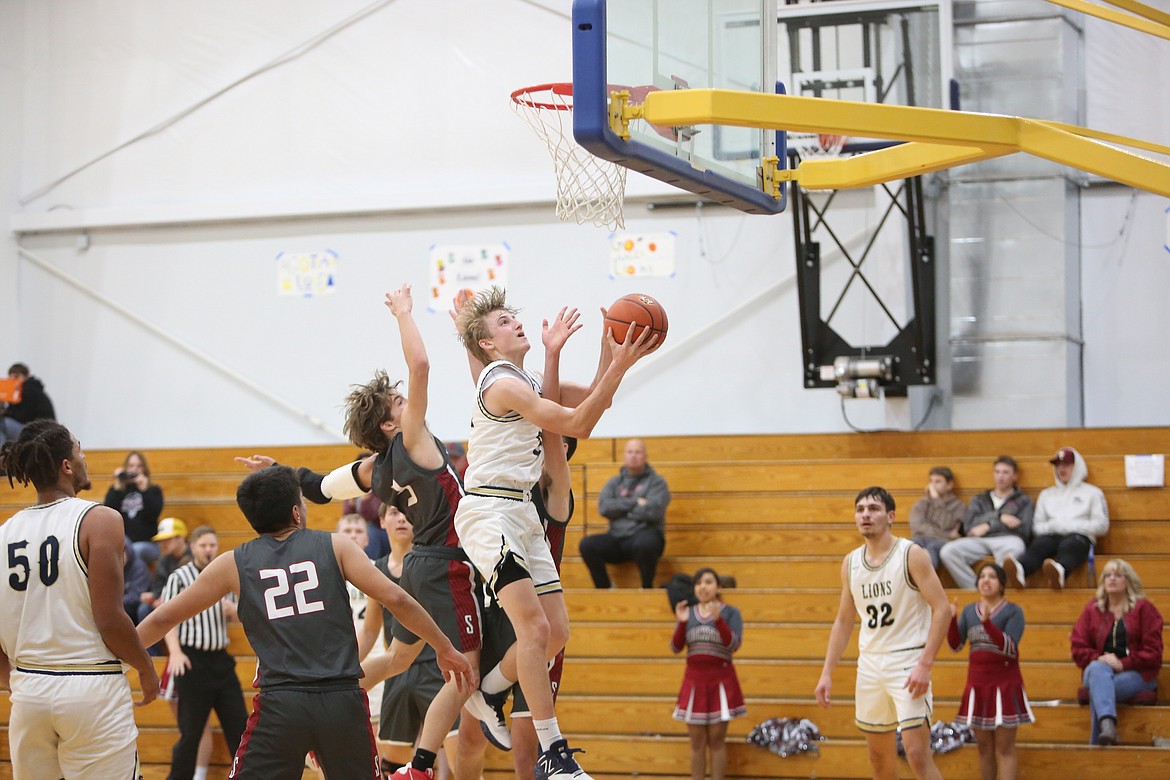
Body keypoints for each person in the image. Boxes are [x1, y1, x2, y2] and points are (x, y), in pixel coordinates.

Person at [238, 283, 483, 780]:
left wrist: (278, 470)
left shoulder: (372, 469)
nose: (406, 399)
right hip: (446, 563)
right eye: (398, 401)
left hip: (417, 564)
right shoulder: (413, 440)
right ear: (394, 425)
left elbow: (319, 488)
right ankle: (419, 767)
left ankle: (332, 704)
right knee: (466, 670)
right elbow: (421, 366)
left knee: (396, 657)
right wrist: (404, 314)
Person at [137, 465, 474, 778]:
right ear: (297, 512)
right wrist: (444, 647)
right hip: (341, 700)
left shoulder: (232, 563)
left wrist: (132, 663)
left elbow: (164, 616)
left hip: (281, 705)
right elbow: (397, 599)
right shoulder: (336, 545)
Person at [452, 286, 656, 780]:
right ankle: (554, 752)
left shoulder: (520, 379)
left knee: (557, 632)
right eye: (503, 322)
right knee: (535, 629)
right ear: (487, 346)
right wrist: (617, 365)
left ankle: (491, 691)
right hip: (489, 510)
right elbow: (576, 424)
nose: (515, 322)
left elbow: (591, 404)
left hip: (521, 513)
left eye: (511, 316)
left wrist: (611, 350)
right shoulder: (501, 383)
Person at [0, 419, 159, 778]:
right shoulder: (100, 519)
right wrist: (147, 668)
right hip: (90, 686)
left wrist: (16, 682)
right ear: (67, 466)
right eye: (79, 449)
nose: (85, 456)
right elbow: (110, 619)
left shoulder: (4, 533)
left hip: (29, 692)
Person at [815, 486, 950, 780]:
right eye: (860, 509)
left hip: (907, 661)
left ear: (890, 516)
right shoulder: (851, 562)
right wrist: (827, 672)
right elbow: (843, 620)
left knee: (916, 755)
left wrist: (925, 664)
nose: (865, 514)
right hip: (870, 665)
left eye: (873, 508)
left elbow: (943, 609)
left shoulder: (911, 554)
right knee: (878, 760)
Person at [358, 504, 459, 779]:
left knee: (463, 763)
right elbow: (369, 631)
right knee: (392, 765)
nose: (401, 518)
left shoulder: (432, 565)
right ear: (381, 521)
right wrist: (344, 667)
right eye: (393, 512)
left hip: (437, 668)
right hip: (399, 672)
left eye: (406, 513)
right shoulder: (376, 570)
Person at [159, 525, 248, 780]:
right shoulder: (180, 577)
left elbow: (245, 614)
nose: (208, 550)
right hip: (192, 661)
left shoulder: (226, 574)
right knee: (191, 733)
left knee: (241, 729)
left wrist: (236, 612)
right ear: (193, 547)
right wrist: (174, 652)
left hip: (220, 661)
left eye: (212, 545)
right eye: (203, 545)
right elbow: (167, 618)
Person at [947, 563, 1033, 780]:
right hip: (977, 686)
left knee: (1004, 749)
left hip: (1005, 685)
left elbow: (1009, 647)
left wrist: (987, 623)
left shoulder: (1014, 611)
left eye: (992, 576)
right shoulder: (968, 611)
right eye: (982, 576)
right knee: (984, 750)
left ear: (1002, 583)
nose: (985, 580)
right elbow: (956, 646)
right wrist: (951, 620)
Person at [1070, 558, 1162, 746]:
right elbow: (1077, 647)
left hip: (1136, 674)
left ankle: (1103, 734)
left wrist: (1123, 663)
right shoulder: (1093, 609)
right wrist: (1100, 658)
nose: (1112, 579)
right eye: (1108, 575)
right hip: (1098, 670)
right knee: (1097, 669)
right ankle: (1108, 726)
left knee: (1099, 688)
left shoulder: (1144, 609)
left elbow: (1153, 653)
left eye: (1118, 575)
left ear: (1128, 581)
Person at [671, 567, 745, 780]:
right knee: (696, 742)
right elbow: (676, 647)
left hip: (721, 682)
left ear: (718, 586)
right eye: (699, 583)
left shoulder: (731, 613)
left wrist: (719, 620)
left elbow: (733, 644)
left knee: (717, 740)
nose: (703, 586)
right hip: (694, 683)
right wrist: (681, 622)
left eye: (708, 582)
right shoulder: (688, 612)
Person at [1005, 447, 1108, 589]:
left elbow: (1102, 525)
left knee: (1070, 545)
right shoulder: (1046, 494)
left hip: (1080, 537)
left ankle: (1060, 572)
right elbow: (1037, 526)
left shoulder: (1093, 493)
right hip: (1052, 535)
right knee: (1040, 545)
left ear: (1077, 466)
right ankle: (1021, 571)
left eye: (1066, 465)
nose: (1061, 469)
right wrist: (1055, 526)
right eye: (1058, 465)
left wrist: (1072, 526)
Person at [579, 438, 671, 589]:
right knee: (587, 545)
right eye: (630, 452)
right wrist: (636, 502)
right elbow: (604, 508)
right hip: (617, 537)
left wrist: (621, 509)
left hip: (645, 535)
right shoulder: (614, 482)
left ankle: (646, 587)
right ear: (624, 455)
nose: (633, 455)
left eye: (637, 452)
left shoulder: (657, 482)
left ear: (645, 456)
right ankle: (605, 588)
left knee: (645, 543)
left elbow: (654, 511)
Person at [940, 456, 1034, 590]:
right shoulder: (979, 499)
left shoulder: (1024, 500)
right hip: (980, 540)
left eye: (1005, 472)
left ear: (1015, 476)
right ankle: (976, 590)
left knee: (1016, 549)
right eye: (997, 472)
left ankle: (996, 590)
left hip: (1008, 539)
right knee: (948, 551)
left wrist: (987, 525)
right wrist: (999, 517)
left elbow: (1024, 530)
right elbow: (969, 527)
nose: (1000, 476)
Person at [104, 450, 166, 565]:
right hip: (123, 544)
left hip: (148, 544)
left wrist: (145, 490)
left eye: (139, 466)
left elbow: (154, 514)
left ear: (144, 469)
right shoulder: (118, 491)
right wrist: (117, 486)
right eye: (131, 466)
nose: (135, 469)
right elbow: (108, 513)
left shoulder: (153, 490)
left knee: (135, 551)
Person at [907, 466, 965, 569]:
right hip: (919, 539)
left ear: (949, 485)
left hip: (941, 543)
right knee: (908, 547)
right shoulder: (922, 503)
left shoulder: (959, 506)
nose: (932, 486)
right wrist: (946, 534)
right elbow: (917, 526)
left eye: (938, 481)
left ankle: (926, 583)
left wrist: (936, 499)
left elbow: (946, 524)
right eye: (931, 481)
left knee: (932, 548)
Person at [140, 516, 192, 626]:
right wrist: (154, 596)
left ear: (181, 538)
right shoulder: (164, 559)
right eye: (161, 540)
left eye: (167, 539)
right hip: (167, 601)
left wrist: (166, 599)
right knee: (144, 610)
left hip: (189, 602)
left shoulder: (195, 556)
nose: (163, 543)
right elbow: (158, 585)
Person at [0, 362, 56, 445]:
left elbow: (22, 417)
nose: (14, 381)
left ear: (25, 376)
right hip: (41, 430)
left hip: (38, 432)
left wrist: (6, 412)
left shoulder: (28, 390)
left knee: (2, 424)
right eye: (11, 378)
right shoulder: (32, 389)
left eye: (16, 377)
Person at [122, 535, 152, 624]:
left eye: (122, 552)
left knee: (143, 609)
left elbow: (137, 595)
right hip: (119, 605)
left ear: (127, 551)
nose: (119, 557)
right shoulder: (109, 567)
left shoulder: (139, 567)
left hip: (133, 607)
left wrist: (114, 602)